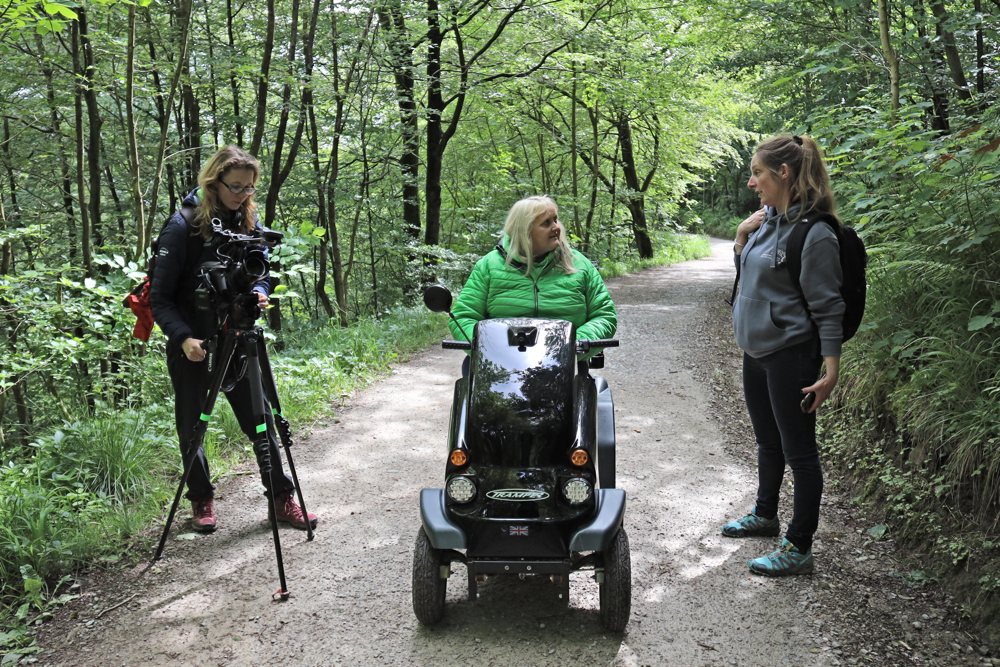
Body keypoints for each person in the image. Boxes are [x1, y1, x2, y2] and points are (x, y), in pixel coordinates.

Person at [150, 145, 317, 533]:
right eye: (236, 187)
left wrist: (259, 289)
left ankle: (281, 498)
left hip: (239, 336)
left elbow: (262, 271)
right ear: (215, 182)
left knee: (261, 421)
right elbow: (160, 298)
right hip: (194, 343)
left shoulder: (248, 222)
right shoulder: (183, 226)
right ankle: (201, 498)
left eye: (249, 188)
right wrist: (183, 338)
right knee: (193, 425)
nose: (242, 195)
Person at [722, 134, 844, 576]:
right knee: (767, 441)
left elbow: (829, 307)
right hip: (756, 352)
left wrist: (830, 369)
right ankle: (765, 514)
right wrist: (741, 240)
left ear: (784, 173)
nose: (752, 182)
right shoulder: (764, 222)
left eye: (757, 172)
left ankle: (798, 545)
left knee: (800, 453)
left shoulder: (815, 234)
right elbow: (754, 281)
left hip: (791, 356)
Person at [449, 195, 617, 351]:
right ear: (524, 231)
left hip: (567, 362)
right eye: (546, 223)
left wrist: (574, 343)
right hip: (497, 362)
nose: (556, 227)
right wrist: (485, 347)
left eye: (555, 220)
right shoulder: (488, 266)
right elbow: (463, 316)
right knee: (468, 374)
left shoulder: (580, 264)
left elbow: (604, 315)